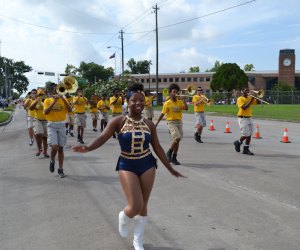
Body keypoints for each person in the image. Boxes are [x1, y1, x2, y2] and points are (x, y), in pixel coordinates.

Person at [72, 83, 185, 250]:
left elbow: (158, 148)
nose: (139, 103)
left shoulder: (149, 124)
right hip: (127, 164)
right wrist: (88, 147)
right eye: (135, 100)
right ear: (127, 102)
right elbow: (103, 137)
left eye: (142, 100)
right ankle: (124, 217)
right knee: (135, 205)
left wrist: (170, 168)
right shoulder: (118, 121)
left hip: (147, 164)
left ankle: (137, 241)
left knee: (144, 204)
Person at [43, 84, 72, 178]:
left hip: (62, 125)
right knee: (54, 146)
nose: (58, 91)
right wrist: (54, 101)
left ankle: (60, 169)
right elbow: (46, 112)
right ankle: (52, 160)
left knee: (61, 148)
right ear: (53, 91)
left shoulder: (64, 100)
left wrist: (63, 99)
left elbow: (70, 110)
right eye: (56, 90)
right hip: (51, 125)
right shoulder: (48, 100)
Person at [155, 83, 188, 165]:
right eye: (173, 92)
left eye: (176, 92)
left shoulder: (180, 102)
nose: (175, 93)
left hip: (179, 122)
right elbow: (162, 114)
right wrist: (156, 124)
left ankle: (174, 157)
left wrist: (184, 100)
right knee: (177, 138)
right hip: (171, 122)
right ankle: (169, 152)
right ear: (170, 93)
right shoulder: (167, 103)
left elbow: (186, 108)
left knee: (178, 140)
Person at [234, 87, 260, 155]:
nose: (247, 91)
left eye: (248, 90)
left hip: (249, 117)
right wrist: (251, 99)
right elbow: (244, 107)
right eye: (246, 90)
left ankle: (246, 149)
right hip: (242, 118)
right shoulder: (240, 98)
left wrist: (257, 96)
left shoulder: (249, 97)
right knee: (246, 134)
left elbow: (258, 102)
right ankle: (238, 142)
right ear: (242, 91)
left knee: (249, 135)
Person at [29, 88, 49, 157]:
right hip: (37, 120)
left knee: (45, 137)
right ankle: (39, 148)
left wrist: (44, 101)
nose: (41, 96)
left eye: (42, 95)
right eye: (39, 95)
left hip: (46, 120)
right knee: (38, 134)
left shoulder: (47, 101)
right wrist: (37, 101)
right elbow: (31, 108)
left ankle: (45, 152)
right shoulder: (35, 100)